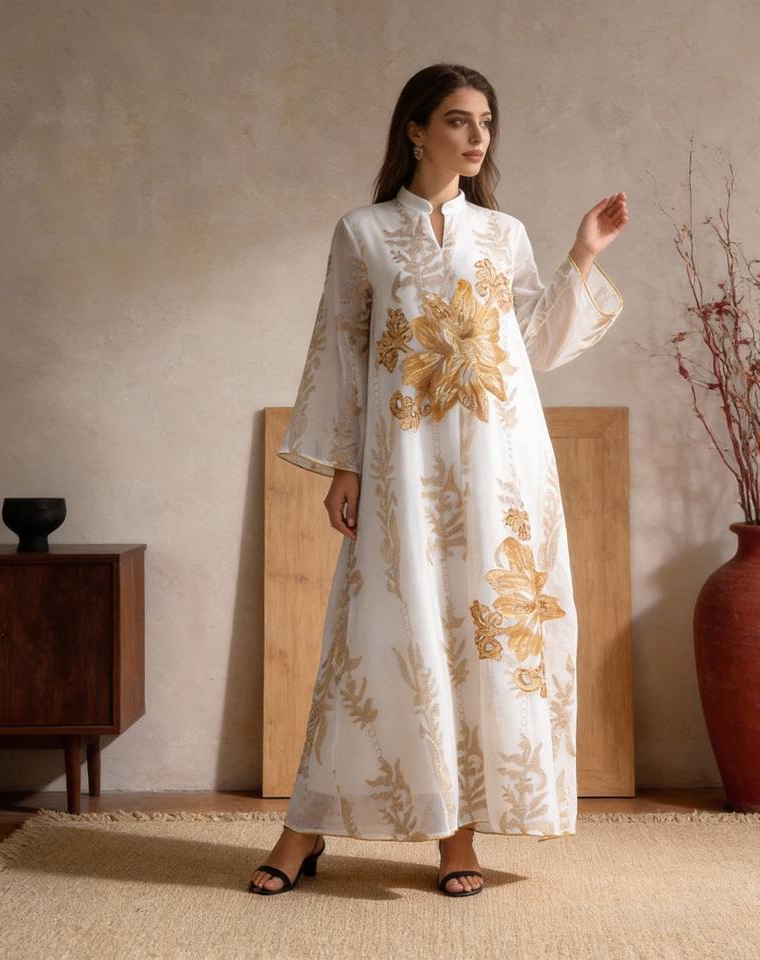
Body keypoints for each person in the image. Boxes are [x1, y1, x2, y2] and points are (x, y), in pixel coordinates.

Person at [250, 62, 628, 898]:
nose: (477, 135)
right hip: (403, 467)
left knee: (475, 635)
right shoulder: (363, 232)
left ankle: (459, 840)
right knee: (379, 634)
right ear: (417, 130)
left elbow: (532, 345)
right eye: (459, 119)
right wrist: (345, 464)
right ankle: (303, 828)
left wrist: (582, 253)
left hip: (498, 466)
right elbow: (343, 350)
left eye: (485, 122)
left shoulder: (502, 234)